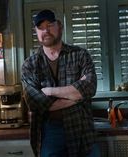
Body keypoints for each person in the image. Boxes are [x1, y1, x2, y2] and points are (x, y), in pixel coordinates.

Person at [21, 9, 100, 157]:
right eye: (41, 27)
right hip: (50, 132)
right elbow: (35, 103)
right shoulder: (29, 65)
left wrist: (50, 91)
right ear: (36, 31)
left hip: (82, 129)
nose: (46, 30)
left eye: (50, 25)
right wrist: (77, 95)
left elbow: (90, 87)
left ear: (60, 26)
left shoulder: (80, 55)